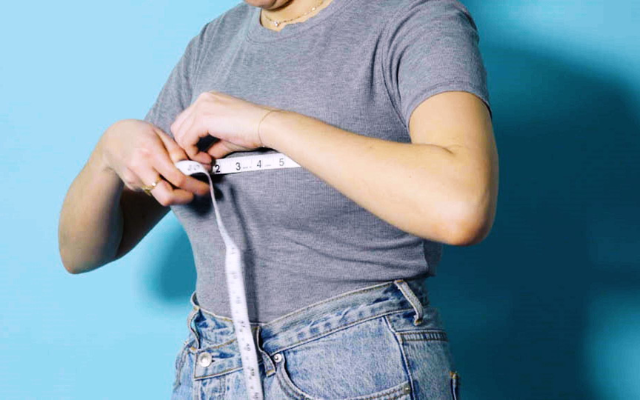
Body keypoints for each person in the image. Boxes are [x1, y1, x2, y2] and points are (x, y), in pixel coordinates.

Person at [58, 0, 498, 398]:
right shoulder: (216, 41)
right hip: (212, 361)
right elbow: (82, 254)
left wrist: (269, 125)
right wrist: (106, 153)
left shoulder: (415, 18)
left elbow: (462, 207)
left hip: (359, 363)